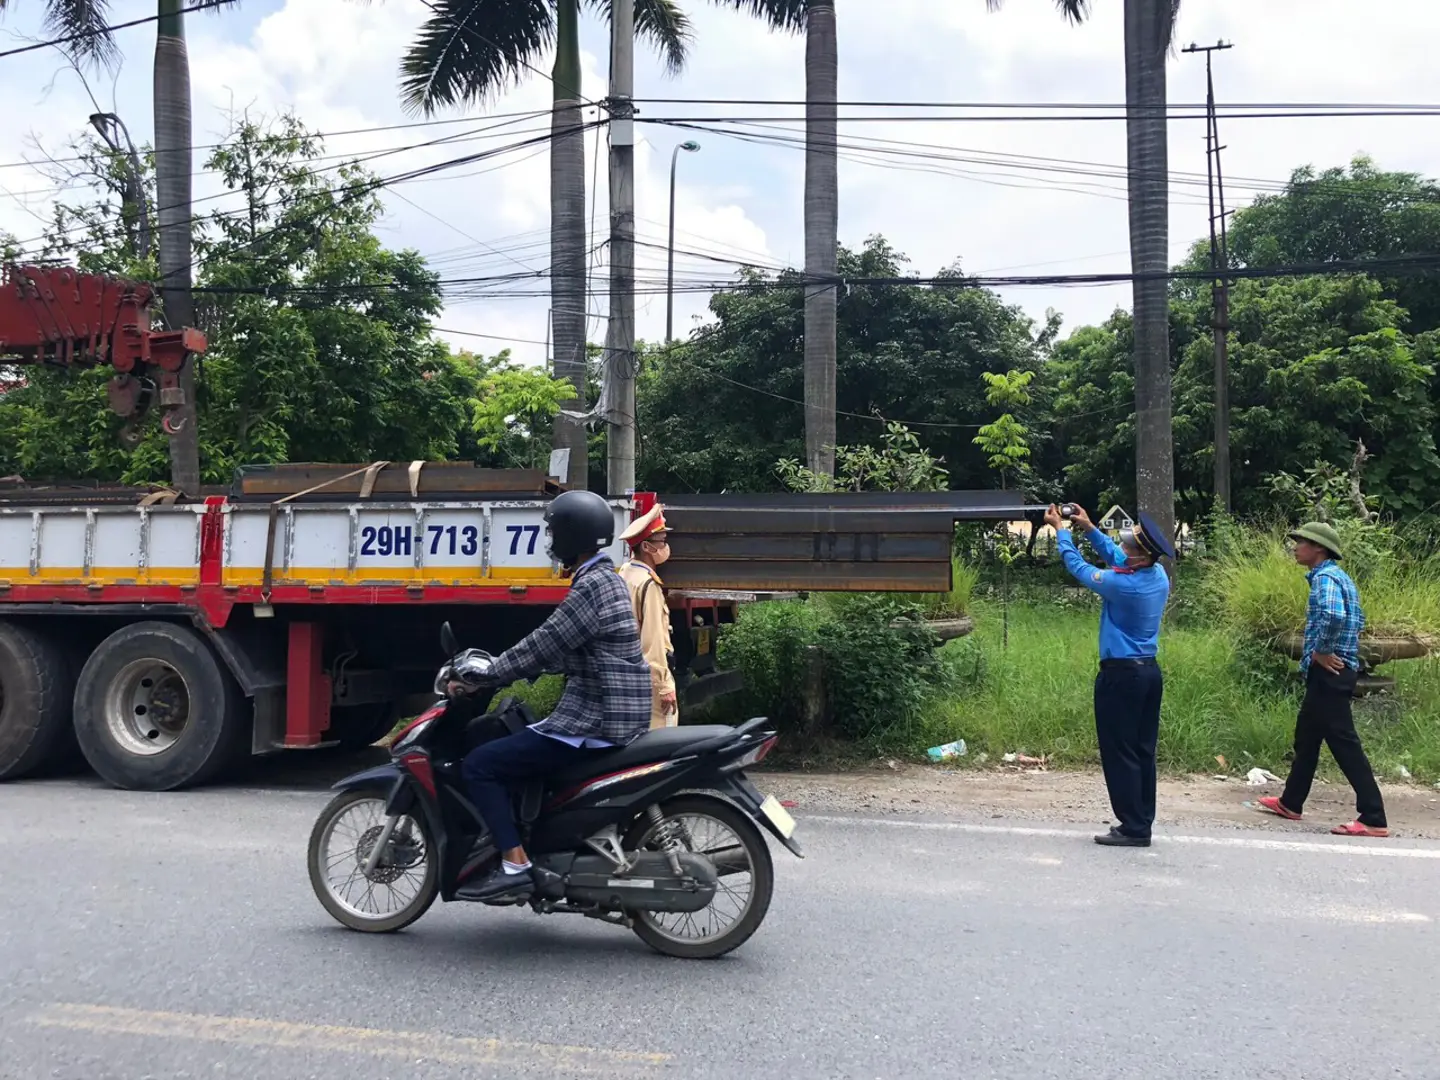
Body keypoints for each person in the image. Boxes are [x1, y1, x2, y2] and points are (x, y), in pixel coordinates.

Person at [456, 489, 652, 901]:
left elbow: (544, 642)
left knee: (480, 764)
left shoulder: (591, 588)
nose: (549, 542)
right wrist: (515, 670)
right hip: (612, 710)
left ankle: (515, 863)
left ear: (570, 536)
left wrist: (490, 673)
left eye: (553, 532)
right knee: (516, 736)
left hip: (595, 719)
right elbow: (569, 650)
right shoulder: (605, 579)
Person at [1045, 503, 1173, 848]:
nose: (1123, 549)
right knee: (1143, 750)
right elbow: (1116, 555)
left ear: (1140, 558)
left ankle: (1132, 826)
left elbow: (1080, 569)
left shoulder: (1122, 586)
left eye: (1129, 547)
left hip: (1121, 677)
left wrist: (1063, 531)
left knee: (1120, 751)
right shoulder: (1157, 576)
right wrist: (1089, 527)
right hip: (1148, 674)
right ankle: (1141, 820)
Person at [1252, 522, 1388, 837]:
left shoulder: (1325, 579)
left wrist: (1321, 651)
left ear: (1319, 549)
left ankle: (1374, 817)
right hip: (1332, 672)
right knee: (1307, 737)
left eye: (1301, 542)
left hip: (1331, 672)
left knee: (1344, 743)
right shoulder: (1337, 577)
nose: (1295, 547)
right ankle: (1291, 803)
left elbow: (1334, 615)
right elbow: (1355, 618)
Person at [618, 504, 679, 729]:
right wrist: (663, 688)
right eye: (661, 541)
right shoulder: (648, 585)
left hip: (628, 675)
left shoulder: (625, 573)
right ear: (646, 547)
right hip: (650, 681)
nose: (665, 547)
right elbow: (653, 643)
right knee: (661, 739)